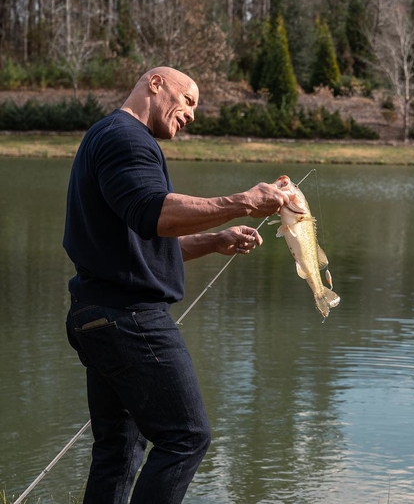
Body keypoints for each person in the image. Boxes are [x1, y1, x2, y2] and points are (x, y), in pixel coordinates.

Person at [63, 67, 293, 503]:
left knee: (119, 452)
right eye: (188, 100)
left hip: (97, 316)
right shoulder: (127, 138)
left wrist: (215, 240)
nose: (191, 115)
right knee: (187, 438)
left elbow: (140, 238)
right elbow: (156, 213)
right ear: (154, 84)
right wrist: (243, 202)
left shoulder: (108, 136)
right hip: (130, 320)